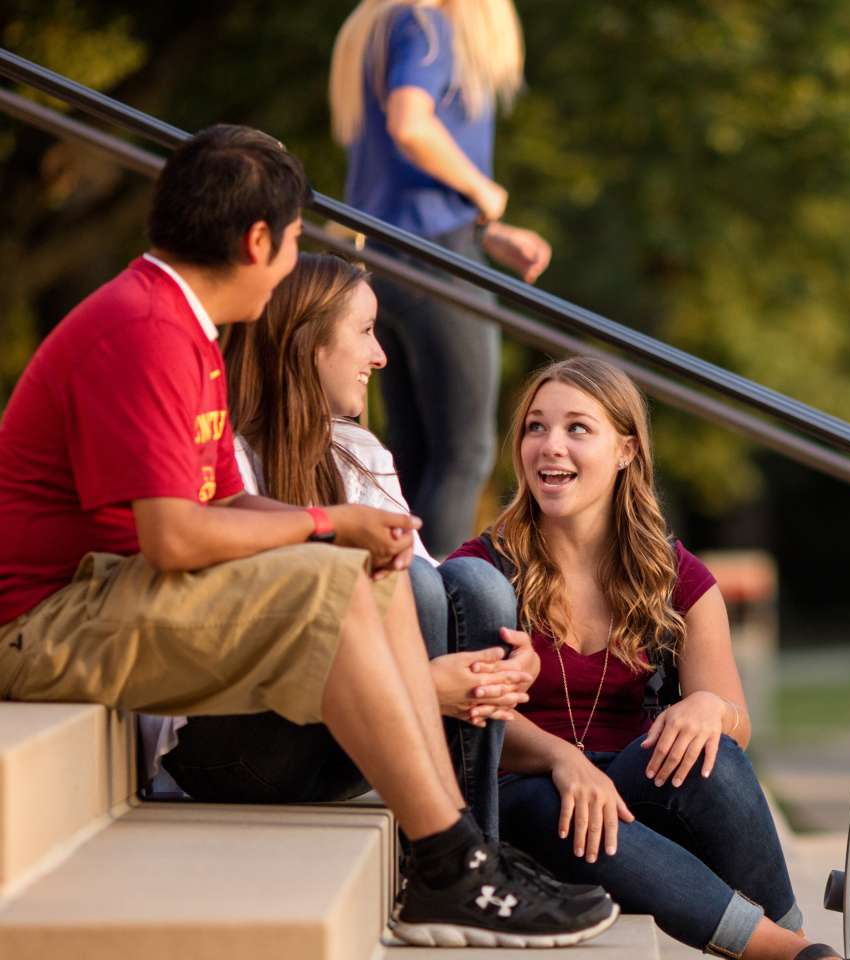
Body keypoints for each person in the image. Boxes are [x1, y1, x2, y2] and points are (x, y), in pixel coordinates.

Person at [0, 124, 615, 948]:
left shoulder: (186, 331)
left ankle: (459, 855)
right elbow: (176, 539)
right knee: (331, 567)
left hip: (102, 595)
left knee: (363, 567)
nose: (293, 260)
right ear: (258, 239)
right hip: (39, 623)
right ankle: (450, 864)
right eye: (292, 240)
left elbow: (222, 503)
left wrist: (352, 533)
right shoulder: (142, 330)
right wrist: (329, 523)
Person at [442, 357, 842, 960]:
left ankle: (796, 937)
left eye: (578, 428)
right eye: (535, 427)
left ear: (626, 450)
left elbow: (737, 720)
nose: (551, 446)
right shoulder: (480, 570)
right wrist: (561, 760)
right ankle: (795, 956)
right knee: (564, 798)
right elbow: (469, 710)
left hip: (630, 802)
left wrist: (710, 708)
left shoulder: (679, 578)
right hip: (521, 802)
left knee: (716, 759)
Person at [142, 252, 537, 844]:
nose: (380, 355)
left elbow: (435, 597)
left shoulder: (358, 453)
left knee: (479, 588)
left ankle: (473, 846)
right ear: (309, 342)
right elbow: (232, 647)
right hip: (232, 744)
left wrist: (505, 663)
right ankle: (448, 853)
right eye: (365, 331)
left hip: (336, 743)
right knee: (412, 585)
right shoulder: (220, 453)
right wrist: (422, 687)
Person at [331, 0, 553, 553]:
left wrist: (487, 231)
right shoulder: (429, 24)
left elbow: (396, 183)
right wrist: (483, 191)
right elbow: (410, 123)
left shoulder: (380, 28)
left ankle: (406, 607)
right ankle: (440, 615)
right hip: (438, 263)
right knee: (464, 455)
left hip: (384, 262)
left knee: (414, 455)